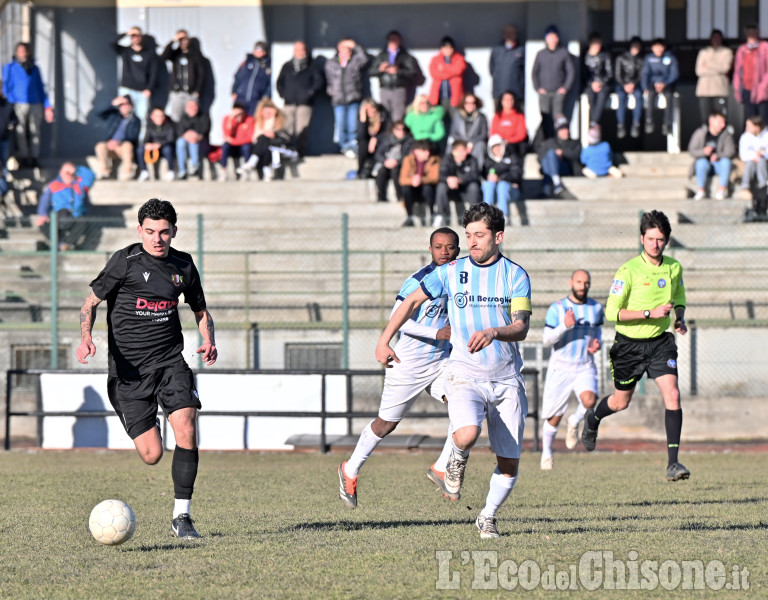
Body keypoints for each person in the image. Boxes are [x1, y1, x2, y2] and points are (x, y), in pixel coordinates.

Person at [375, 202, 532, 539]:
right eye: (469, 235)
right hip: (463, 373)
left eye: (480, 235)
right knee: (467, 433)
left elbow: (521, 327)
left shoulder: (515, 275)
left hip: (506, 378)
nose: (472, 242)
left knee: (509, 464)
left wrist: (493, 332)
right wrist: (384, 339)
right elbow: (411, 301)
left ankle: (487, 516)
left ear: (498, 236)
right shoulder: (449, 272)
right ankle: (455, 459)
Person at [76, 198, 217, 540]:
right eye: (150, 231)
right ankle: (147, 417)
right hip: (129, 373)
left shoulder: (183, 265)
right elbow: (90, 303)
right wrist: (85, 337)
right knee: (152, 455)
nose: (157, 239)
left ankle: (181, 517)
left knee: (185, 423)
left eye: (164, 232)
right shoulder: (124, 262)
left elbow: (201, 310)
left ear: (174, 232)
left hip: (170, 362)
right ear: (140, 230)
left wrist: (209, 338)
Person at [338, 228, 461, 509]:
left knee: (465, 404)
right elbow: (399, 319)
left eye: (450, 247)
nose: (444, 252)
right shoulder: (418, 281)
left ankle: (442, 467)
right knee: (386, 425)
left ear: (458, 250)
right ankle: (350, 469)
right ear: (430, 249)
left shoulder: (460, 280)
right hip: (407, 364)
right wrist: (437, 334)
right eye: (439, 246)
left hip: (442, 362)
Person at [581, 210, 689, 483]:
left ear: (667, 241)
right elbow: (612, 313)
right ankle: (593, 418)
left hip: (660, 343)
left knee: (673, 394)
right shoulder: (627, 271)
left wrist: (679, 318)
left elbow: (678, 297)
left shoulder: (674, 268)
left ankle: (673, 464)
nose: (655, 244)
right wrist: (649, 313)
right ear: (642, 238)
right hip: (628, 346)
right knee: (620, 402)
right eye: (650, 238)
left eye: (661, 239)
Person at [539, 270, 603, 470]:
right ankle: (547, 454)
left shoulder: (596, 308)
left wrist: (596, 343)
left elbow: (598, 331)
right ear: (571, 283)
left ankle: (574, 421)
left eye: (586, 282)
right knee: (554, 417)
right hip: (561, 367)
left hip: (584, 365)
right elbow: (547, 340)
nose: (582, 286)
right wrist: (564, 326)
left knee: (590, 400)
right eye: (579, 282)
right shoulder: (557, 308)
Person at [2, 42, 54, 168]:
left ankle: (34, 158)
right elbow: (6, 87)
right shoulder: (9, 68)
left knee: (35, 131)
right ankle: (24, 158)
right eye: (19, 51)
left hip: (35, 103)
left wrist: (47, 106)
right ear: (16, 53)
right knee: (20, 132)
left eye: (24, 51)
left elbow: (41, 88)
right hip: (18, 104)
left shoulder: (34, 68)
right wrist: (11, 102)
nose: (22, 54)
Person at [276, 41, 324, 158]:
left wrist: (310, 93)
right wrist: (284, 94)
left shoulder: (312, 66)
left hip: (304, 103)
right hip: (289, 102)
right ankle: (285, 151)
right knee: (287, 128)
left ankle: (298, 152)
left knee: (301, 129)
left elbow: (319, 82)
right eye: (297, 50)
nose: (300, 52)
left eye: (302, 50)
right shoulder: (287, 66)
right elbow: (279, 82)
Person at [36, 162, 98, 251]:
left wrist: (76, 169)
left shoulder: (80, 185)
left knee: (84, 221)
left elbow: (91, 176)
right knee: (42, 223)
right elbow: (45, 201)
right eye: (65, 173)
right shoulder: (54, 185)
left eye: (70, 173)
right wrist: (43, 214)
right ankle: (60, 245)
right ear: (60, 173)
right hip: (59, 218)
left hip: (75, 218)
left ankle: (67, 244)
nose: (68, 175)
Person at [325, 38, 369, 158]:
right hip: (338, 99)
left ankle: (353, 147)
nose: (346, 52)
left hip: (353, 98)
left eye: (349, 50)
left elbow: (364, 58)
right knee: (341, 126)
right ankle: (343, 148)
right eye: (344, 49)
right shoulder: (332, 63)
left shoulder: (354, 61)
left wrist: (355, 45)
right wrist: (331, 91)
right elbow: (328, 80)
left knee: (352, 125)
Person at [113, 27, 159, 137]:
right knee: (124, 115)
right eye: (133, 36)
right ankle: (124, 142)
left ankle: (139, 146)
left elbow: (154, 73)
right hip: (127, 89)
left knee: (142, 117)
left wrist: (149, 88)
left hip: (142, 91)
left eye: (137, 35)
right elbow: (112, 44)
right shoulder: (126, 51)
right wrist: (126, 33)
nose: (135, 38)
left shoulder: (149, 54)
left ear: (141, 37)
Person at [532, 25, 575, 138]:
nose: (552, 40)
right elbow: (534, 72)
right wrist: (538, 88)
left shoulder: (563, 53)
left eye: (554, 37)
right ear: (546, 39)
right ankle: (546, 140)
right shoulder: (541, 54)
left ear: (558, 38)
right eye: (549, 37)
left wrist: (565, 88)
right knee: (545, 117)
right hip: (544, 92)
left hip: (558, 93)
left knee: (558, 117)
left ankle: (558, 139)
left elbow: (571, 72)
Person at [369, 30, 422, 122]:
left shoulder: (405, 56)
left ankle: (396, 135)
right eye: (391, 40)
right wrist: (380, 70)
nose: (393, 43)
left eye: (395, 40)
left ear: (399, 41)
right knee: (385, 116)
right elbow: (371, 72)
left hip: (399, 89)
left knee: (398, 116)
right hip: (385, 88)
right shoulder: (382, 55)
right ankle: (387, 135)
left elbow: (413, 73)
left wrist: (398, 71)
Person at [239, 97, 295, 181]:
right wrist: (265, 132)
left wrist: (273, 130)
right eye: (265, 112)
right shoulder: (259, 122)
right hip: (263, 147)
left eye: (269, 112)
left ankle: (252, 162)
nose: (267, 114)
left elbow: (286, 137)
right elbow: (254, 138)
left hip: (277, 146)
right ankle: (266, 169)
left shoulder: (281, 121)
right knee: (263, 140)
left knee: (265, 141)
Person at [687, 111, 736, 201]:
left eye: (724, 122)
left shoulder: (726, 135)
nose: (723, 125)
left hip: (719, 165)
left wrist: (719, 156)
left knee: (726, 162)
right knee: (700, 162)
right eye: (720, 122)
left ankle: (721, 191)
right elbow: (692, 150)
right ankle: (701, 191)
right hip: (705, 164)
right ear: (711, 121)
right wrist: (704, 152)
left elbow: (731, 152)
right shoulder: (700, 133)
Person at [161, 29, 206, 123]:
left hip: (191, 93)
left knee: (192, 118)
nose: (182, 42)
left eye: (184, 39)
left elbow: (201, 73)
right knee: (176, 118)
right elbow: (163, 57)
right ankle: (178, 137)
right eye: (180, 40)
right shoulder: (175, 54)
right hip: (177, 93)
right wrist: (173, 41)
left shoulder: (196, 54)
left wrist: (197, 90)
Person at [481, 134, 527, 226]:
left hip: (511, 191)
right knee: (487, 184)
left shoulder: (512, 157)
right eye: (494, 147)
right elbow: (483, 174)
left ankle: (503, 215)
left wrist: (500, 178)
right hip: (494, 192)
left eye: (499, 145)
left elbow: (516, 174)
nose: (497, 149)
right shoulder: (487, 161)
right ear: (490, 149)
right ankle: (486, 213)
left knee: (502, 185)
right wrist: (490, 177)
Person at [94, 96, 141, 181]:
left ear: (131, 106)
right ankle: (105, 172)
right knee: (100, 146)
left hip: (122, 147)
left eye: (126, 104)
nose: (124, 106)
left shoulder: (135, 120)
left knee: (128, 145)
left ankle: (127, 173)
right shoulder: (114, 115)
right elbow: (98, 113)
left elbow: (133, 136)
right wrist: (112, 104)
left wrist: (118, 142)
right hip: (110, 145)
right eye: (122, 104)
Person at [434, 139, 480, 227]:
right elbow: (441, 174)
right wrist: (449, 179)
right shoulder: (447, 159)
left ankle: (475, 216)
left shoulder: (472, 159)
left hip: (465, 190)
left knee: (474, 186)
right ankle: (440, 216)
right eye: (462, 150)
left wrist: (460, 180)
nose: (465, 153)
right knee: (441, 186)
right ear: (454, 151)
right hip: (451, 191)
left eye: (465, 150)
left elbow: (475, 175)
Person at [536, 115, 581, 198]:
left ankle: (547, 188)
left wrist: (562, 153)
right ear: (558, 131)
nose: (566, 131)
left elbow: (576, 154)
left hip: (567, 169)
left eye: (567, 128)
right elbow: (540, 158)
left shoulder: (574, 143)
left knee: (550, 155)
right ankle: (556, 182)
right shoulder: (550, 142)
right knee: (549, 155)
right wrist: (554, 156)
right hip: (550, 169)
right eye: (563, 129)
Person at [695, 29, 734, 125]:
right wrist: (717, 69)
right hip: (704, 91)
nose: (716, 40)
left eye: (718, 37)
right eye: (714, 38)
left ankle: (720, 139)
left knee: (720, 117)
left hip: (719, 90)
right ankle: (707, 138)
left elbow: (725, 68)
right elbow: (699, 71)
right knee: (705, 118)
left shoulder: (727, 52)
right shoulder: (704, 52)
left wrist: (708, 65)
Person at [398, 139, 440, 227]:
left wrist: (421, 179)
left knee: (427, 187)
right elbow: (402, 179)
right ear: (416, 151)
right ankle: (410, 217)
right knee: (406, 189)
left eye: (428, 150)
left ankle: (432, 214)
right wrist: (412, 181)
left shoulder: (434, 159)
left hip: (427, 190)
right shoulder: (408, 160)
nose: (427, 153)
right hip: (413, 190)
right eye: (424, 151)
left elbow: (435, 178)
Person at [642, 39, 679, 136]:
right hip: (652, 84)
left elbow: (674, 74)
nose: (658, 49)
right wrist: (645, 86)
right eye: (656, 47)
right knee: (650, 95)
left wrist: (664, 83)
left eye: (660, 47)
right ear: (652, 48)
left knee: (669, 97)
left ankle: (667, 124)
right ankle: (649, 121)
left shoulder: (670, 57)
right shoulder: (649, 58)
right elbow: (645, 73)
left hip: (667, 84)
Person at [733, 25, 768, 126]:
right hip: (747, 89)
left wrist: (763, 87)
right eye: (749, 33)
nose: (751, 35)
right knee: (750, 119)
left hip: (763, 90)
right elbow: (737, 71)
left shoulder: (764, 47)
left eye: (753, 32)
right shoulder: (742, 49)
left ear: (757, 33)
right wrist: (737, 90)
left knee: (763, 118)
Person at [447, 93, 488, 169]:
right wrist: (463, 145)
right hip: (460, 142)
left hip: (475, 143)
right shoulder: (457, 116)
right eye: (467, 103)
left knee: (480, 146)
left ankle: (477, 171)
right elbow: (453, 133)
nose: (470, 105)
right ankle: (451, 171)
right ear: (464, 104)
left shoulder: (481, 117)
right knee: (451, 146)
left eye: (472, 103)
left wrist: (472, 143)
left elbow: (483, 134)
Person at [374, 120, 412, 203]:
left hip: (400, 164)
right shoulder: (387, 139)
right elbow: (378, 154)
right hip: (387, 163)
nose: (401, 131)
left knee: (395, 172)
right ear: (394, 130)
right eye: (398, 129)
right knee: (381, 172)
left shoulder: (409, 141)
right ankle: (381, 197)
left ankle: (400, 196)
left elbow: (409, 156)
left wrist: (397, 162)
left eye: (403, 129)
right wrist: (385, 161)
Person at [614, 36, 644, 139]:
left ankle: (636, 123)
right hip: (622, 85)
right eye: (634, 45)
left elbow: (641, 75)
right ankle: (620, 124)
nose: (636, 47)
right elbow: (617, 75)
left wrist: (633, 84)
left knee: (639, 96)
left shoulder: (641, 59)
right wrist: (625, 85)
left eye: (638, 45)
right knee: (621, 97)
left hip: (635, 85)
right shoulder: (621, 58)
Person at [231, 41, 272, 117]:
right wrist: (234, 91)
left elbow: (270, 83)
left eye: (260, 50)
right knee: (238, 118)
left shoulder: (268, 66)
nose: (258, 52)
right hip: (241, 98)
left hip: (256, 99)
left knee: (252, 121)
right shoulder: (246, 62)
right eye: (256, 50)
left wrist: (266, 95)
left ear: (264, 52)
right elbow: (238, 77)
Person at [582, 32, 613, 127]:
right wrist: (591, 83)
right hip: (590, 84)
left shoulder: (605, 55)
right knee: (590, 96)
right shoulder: (584, 55)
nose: (598, 46)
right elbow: (583, 74)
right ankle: (593, 121)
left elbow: (609, 73)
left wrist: (601, 83)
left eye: (599, 43)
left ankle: (594, 122)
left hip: (603, 84)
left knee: (601, 95)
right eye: (595, 43)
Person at [137, 107, 177, 182]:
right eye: (157, 116)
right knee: (140, 149)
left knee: (168, 149)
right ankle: (144, 172)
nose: (160, 118)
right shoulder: (149, 126)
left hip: (164, 148)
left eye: (161, 116)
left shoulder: (170, 125)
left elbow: (170, 139)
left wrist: (160, 144)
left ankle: (171, 171)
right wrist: (148, 144)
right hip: (153, 149)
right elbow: (146, 139)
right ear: (152, 117)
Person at [428, 36, 466, 111]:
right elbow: (434, 73)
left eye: (450, 48)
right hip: (439, 96)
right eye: (446, 48)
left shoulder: (459, 58)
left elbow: (459, 70)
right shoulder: (435, 59)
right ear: (442, 49)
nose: (448, 50)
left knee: (455, 118)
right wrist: (451, 74)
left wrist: (444, 68)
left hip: (454, 96)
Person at [218, 103, 254, 180]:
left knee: (246, 147)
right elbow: (226, 135)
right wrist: (231, 120)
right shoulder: (227, 119)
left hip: (243, 147)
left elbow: (249, 138)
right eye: (236, 114)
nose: (239, 116)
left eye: (240, 114)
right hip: (232, 148)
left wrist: (233, 141)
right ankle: (223, 171)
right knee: (225, 146)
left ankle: (246, 172)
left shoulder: (249, 120)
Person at [175, 99, 210, 180]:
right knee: (180, 142)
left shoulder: (204, 116)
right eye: (189, 107)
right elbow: (179, 131)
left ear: (197, 107)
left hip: (201, 142)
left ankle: (195, 167)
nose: (192, 109)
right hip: (186, 140)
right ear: (186, 109)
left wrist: (196, 135)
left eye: (194, 106)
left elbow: (204, 131)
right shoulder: (183, 118)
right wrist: (187, 135)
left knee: (193, 142)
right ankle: (182, 171)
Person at [489, 24, 525, 101]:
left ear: (516, 34)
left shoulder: (521, 50)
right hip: (499, 91)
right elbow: (492, 68)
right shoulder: (497, 50)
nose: (509, 35)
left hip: (516, 92)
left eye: (512, 32)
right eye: (507, 32)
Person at [738, 115, 768, 203]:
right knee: (750, 163)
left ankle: (763, 186)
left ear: (757, 126)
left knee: (761, 161)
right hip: (750, 161)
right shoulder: (745, 137)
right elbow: (743, 154)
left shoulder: (766, 135)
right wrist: (754, 155)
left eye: (749, 126)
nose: (746, 128)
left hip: (764, 161)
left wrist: (762, 154)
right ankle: (745, 187)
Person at [357, 99, 389, 178]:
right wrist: (363, 120)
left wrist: (375, 138)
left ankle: (375, 169)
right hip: (367, 143)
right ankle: (361, 170)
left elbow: (387, 132)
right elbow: (361, 135)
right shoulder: (362, 117)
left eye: (373, 109)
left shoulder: (383, 115)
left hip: (380, 141)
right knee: (362, 144)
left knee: (381, 145)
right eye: (368, 110)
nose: (371, 112)